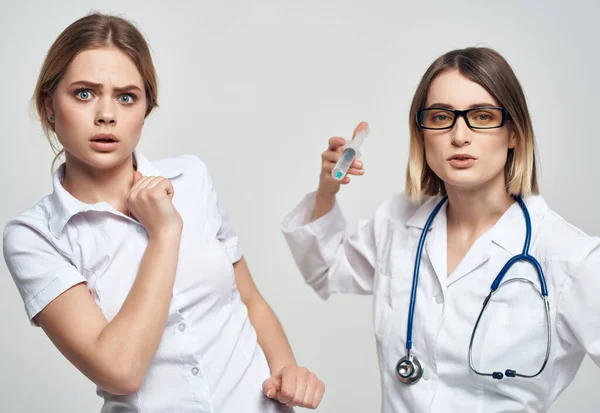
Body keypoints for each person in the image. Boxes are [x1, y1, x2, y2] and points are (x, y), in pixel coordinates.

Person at [2, 13, 324, 413]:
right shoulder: (35, 236)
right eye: (84, 93)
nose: (107, 114)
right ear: (49, 105)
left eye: (126, 97)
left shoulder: (192, 177)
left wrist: (287, 370)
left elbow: (249, 301)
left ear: (145, 109)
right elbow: (120, 370)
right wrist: (165, 232)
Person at [280, 46, 600, 412]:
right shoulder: (399, 222)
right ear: (422, 134)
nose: (459, 135)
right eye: (440, 117)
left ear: (514, 133)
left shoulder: (567, 255)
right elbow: (325, 268)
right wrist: (327, 190)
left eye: (482, 116)